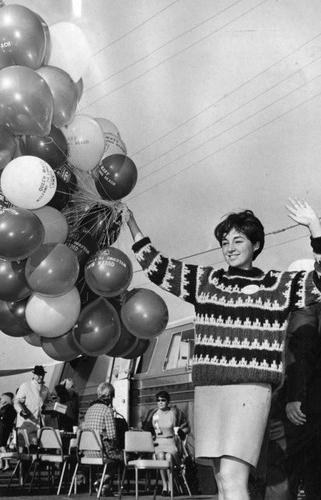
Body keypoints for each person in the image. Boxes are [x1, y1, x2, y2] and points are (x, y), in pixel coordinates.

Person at [126, 198, 321, 500]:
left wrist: (314, 227)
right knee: (221, 479)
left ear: (256, 245)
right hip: (209, 391)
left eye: (238, 240)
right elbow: (158, 268)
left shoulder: (276, 287)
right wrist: (132, 224)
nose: (229, 247)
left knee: (232, 479)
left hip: (250, 391)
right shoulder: (206, 281)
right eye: (224, 241)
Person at [264, 303, 321, 500]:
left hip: (303, 407)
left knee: (282, 472)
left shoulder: (307, 305)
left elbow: (301, 347)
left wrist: (295, 397)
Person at [142, 390, 190, 495]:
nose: (160, 402)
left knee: (168, 456)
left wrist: (180, 432)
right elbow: (146, 428)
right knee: (160, 455)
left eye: (163, 400)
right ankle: (165, 485)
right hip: (158, 442)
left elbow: (185, 428)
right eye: (158, 400)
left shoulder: (174, 413)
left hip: (171, 441)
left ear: (167, 401)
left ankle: (171, 484)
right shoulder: (153, 414)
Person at [83, 382, 123, 494]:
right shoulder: (107, 410)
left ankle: (104, 489)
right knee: (121, 458)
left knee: (112, 457)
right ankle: (101, 482)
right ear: (110, 396)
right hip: (101, 452)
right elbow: (112, 436)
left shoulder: (89, 409)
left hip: (87, 451)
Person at [14, 365, 50, 447]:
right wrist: (21, 412)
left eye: (42, 375)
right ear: (34, 375)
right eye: (38, 375)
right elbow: (16, 402)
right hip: (25, 422)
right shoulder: (25, 386)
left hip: (37, 424)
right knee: (22, 447)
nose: (40, 377)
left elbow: (49, 402)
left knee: (34, 447)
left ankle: (32, 459)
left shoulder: (45, 389)